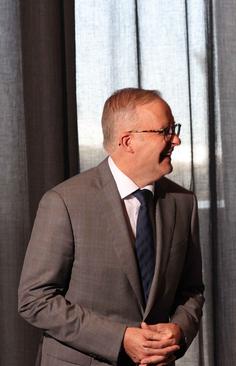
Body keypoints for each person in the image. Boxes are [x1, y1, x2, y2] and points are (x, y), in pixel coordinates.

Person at [18, 88, 205, 366]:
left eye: (174, 129)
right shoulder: (65, 202)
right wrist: (119, 339)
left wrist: (178, 331)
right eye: (165, 131)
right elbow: (35, 300)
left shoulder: (183, 202)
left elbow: (191, 291)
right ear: (128, 141)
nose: (176, 139)